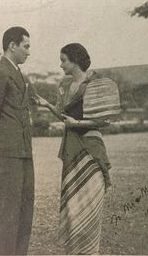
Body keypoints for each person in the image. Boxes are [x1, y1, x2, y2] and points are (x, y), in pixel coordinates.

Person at [36, 43, 118, 254]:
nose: (60, 64)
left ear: (75, 60)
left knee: (90, 206)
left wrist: (77, 124)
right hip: (72, 149)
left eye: (63, 60)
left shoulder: (96, 83)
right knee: (74, 208)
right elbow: (65, 117)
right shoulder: (64, 85)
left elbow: (105, 120)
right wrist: (46, 105)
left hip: (90, 149)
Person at [0, 26, 34, 255]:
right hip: (7, 153)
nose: (28, 52)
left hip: (23, 151)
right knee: (6, 215)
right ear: (12, 45)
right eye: (26, 46)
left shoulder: (17, 73)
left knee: (23, 213)